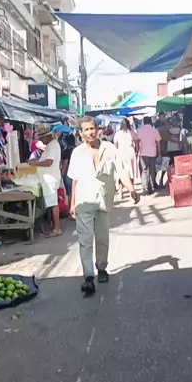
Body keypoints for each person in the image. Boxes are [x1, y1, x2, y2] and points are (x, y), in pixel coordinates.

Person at [68, 116, 139, 295]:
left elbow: (121, 171)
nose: (90, 132)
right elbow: (74, 179)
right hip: (84, 201)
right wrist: (72, 202)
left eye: (92, 128)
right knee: (85, 241)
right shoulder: (77, 153)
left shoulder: (109, 148)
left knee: (102, 239)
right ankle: (88, 277)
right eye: (86, 130)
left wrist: (131, 189)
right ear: (81, 133)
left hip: (103, 201)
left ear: (98, 129)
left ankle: (101, 268)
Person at [28, 127, 62, 236]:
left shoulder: (53, 145)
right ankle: (54, 226)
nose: (41, 141)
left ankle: (57, 229)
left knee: (53, 204)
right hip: (48, 179)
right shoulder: (51, 145)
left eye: (42, 138)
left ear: (47, 136)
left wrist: (35, 163)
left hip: (50, 179)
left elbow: (48, 162)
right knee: (52, 204)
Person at [114, 118, 139, 201]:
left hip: (121, 153)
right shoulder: (131, 132)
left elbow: (115, 144)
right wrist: (137, 150)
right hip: (130, 152)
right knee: (131, 173)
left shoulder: (118, 134)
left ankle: (120, 192)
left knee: (122, 173)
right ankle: (131, 191)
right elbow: (137, 140)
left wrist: (117, 152)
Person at [137, 116, 161, 195]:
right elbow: (158, 143)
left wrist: (137, 150)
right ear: (151, 122)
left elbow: (137, 141)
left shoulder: (140, 131)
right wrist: (159, 153)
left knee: (144, 170)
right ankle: (152, 186)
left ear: (144, 122)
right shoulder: (155, 131)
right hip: (152, 153)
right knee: (152, 170)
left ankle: (145, 188)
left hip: (143, 153)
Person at [61, 133, 76, 205]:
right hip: (77, 172)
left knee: (70, 193)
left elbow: (65, 164)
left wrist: (61, 174)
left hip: (68, 173)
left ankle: (70, 207)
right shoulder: (77, 149)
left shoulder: (67, 151)